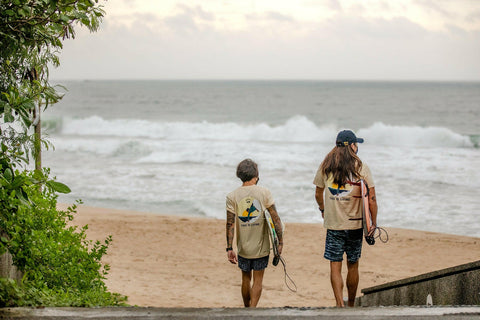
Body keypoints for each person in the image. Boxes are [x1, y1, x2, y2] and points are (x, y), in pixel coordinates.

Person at [313, 130, 377, 307]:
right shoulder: (361, 166)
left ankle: (339, 304)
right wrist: (373, 223)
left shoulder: (326, 166)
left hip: (334, 225)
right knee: (353, 264)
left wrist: (323, 209)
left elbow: (318, 192)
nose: (358, 147)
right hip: (355, 225)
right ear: (352, 146)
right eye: (357, 144)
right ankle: (350, 306)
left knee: (335, 265)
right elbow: (371, 197)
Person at [226, 158, 283, 308]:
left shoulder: (232, 196)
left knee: (245, 278)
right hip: (261, 248)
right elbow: (276, 219)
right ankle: (253, 310)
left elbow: (230, 223)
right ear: (256, 175)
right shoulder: (264, 192)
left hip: (243, 247)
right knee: (258, 280)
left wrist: (229, 248)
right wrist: (280, 242)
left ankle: (246, 309)